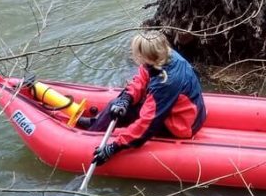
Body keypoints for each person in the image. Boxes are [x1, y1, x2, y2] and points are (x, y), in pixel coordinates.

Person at [80, 31, 207, 166]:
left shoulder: (166, 82)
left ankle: (91, 136)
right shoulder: (165, 55)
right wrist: (126, 98)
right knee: (118, 104)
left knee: (123, 111)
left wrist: (115, 147)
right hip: (189, 113)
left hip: (181, 125)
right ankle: (96, 124)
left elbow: (147, 123)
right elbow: (141, 78)